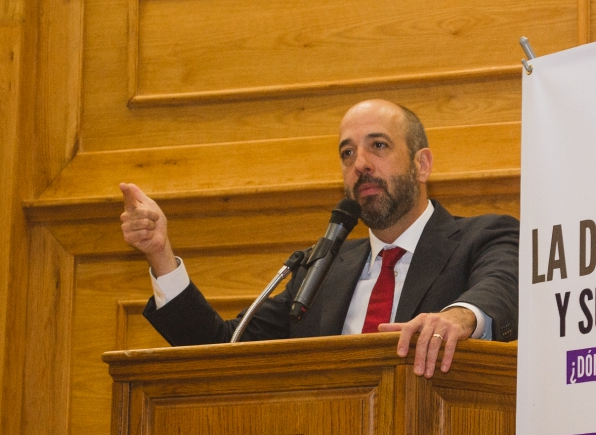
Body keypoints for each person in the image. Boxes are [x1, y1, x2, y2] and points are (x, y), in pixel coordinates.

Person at [120, 99, 518, 377]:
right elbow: (223, 346)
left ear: (422, 164)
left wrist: (459, 317)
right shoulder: (322, 270)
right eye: (347, 153)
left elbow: (503, 286)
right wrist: (160, 254)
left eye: (378, 146)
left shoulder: (483, 237)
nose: (360, 164)